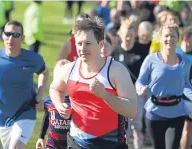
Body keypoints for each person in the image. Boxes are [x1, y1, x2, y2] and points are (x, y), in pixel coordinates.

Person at [49, 16, 138, 149]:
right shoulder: (70, 69)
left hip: (110, 143)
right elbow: (55, 88)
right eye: (79, 43)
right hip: (76, 142)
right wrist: (59, 104)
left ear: (101, 45)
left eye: (88, 43)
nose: (82, 48)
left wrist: (105, 95)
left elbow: (132, 110)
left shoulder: (116, 71)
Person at [136, 23, 192, 149]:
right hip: (155, 112)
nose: (169, 39)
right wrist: (140, 89)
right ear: (160, 38)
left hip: (177, 112)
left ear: (178, 39)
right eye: (166, 36)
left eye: (173, 36)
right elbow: (139, 81)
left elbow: (186, 84)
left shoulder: (186, 62)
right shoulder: (150, 59)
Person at [0, 20, 49, 149]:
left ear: (23, 38)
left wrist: (39, 94)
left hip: (26, 112)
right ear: (3, 35)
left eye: (15, 35)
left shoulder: (33, 59)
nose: (10, 38)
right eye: (7, 34)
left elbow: (44, 73)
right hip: (2, 117)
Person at [36, 59, 70, 149]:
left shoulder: (75, 100)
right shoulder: (49, 99)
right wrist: (41, 137)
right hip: (52, 145)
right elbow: (47, 117)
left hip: (71, 145)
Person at [176, 26, 192, 149]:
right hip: (173, 97)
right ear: (186, 38)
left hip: (189, 98)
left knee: (187, 128)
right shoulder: (174, 52)